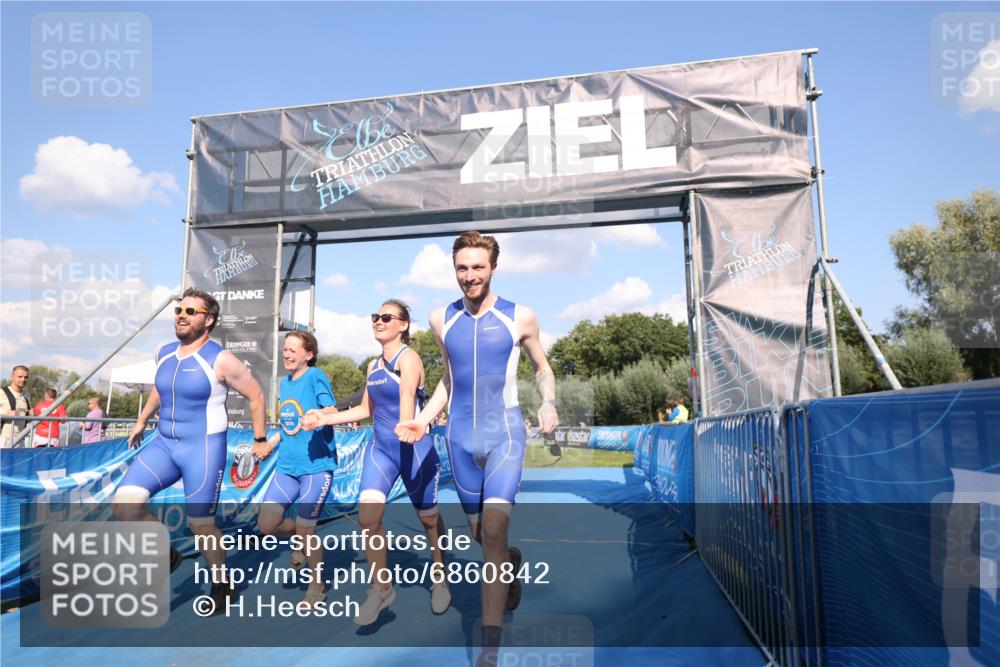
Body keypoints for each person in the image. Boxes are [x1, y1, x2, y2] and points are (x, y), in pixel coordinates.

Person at [395, 232, 559, 666]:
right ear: (454, 269)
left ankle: (488, 652)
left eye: (478, 267)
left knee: (491, 532)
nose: (470, 276)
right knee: (480, 536)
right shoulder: (439, 319)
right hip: (460, 441)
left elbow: (543, 368)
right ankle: (510, 561)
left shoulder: (520, 316)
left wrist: (548, 400)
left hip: (504, 433)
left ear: (493, 268)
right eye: (462, 268)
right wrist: (423, 417)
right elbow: (449, 381)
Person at [113, 288, 268, 615]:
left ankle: (222, 582)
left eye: (190, 311)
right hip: (165, 444)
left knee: (201, 524)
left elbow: (256, 396)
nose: (181, 315)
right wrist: (142, 419)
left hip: (203, 449)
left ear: (208, 320)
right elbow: (160, 386)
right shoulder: (164, 352)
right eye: (179, 310)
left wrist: (259, 439)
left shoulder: (221, 358)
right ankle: (166, 555)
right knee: (126, 506)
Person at [304, 299, 450, 624]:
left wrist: (409, 427)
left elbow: (407, 398)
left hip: (414, 449)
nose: (379, 321)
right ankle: (382, 588)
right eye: (375, 317)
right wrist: (324, 419)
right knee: (368, 518)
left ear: (403, 325)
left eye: (387, 317)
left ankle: (439, 574)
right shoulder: (372, 366)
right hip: (381, 450)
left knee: (428, 521)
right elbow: (365, 411)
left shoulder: (408, 358)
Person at [254, 331, 336, 605]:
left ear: (308, 354)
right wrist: (270, 443)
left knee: (308, 530)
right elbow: (289, 425)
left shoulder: (315, 376)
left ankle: (316, 586)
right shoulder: (284, 383)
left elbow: (333, 411)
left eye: (292, 350)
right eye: (285, 350)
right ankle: (298, 539)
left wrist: (319, 416)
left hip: (315, 466)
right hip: (287, 466)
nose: (286, 354)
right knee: (266, 525)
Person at [1, 366, 31, 448]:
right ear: (12, 376)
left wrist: (30, 414)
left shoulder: (26, 395)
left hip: (21, 439)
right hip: (4, 439)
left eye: (26, 377)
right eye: (20, 376)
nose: (23, 379)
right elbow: (5, 413)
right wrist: (5, 413)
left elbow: (26, 414)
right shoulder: (2, 392)